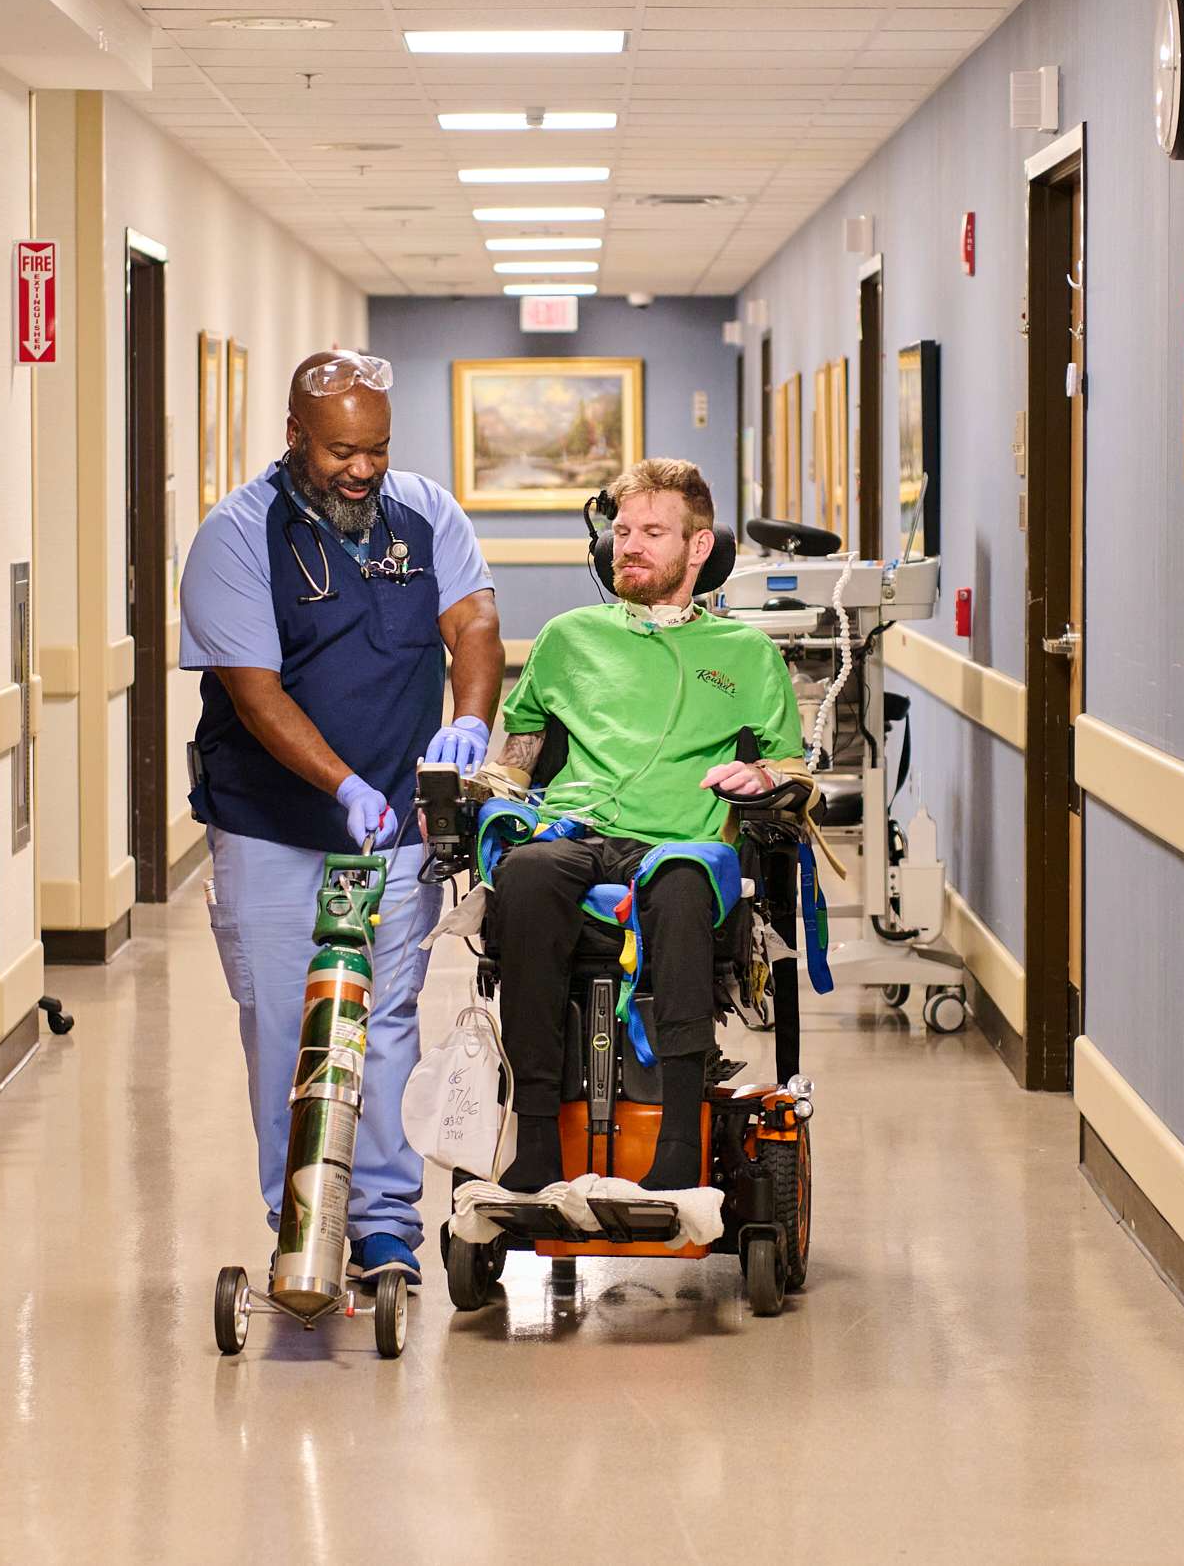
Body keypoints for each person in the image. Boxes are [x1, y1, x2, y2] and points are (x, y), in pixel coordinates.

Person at [180, 349, 502, 1287]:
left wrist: (470, 720)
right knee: (288, 1027)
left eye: (377, 448)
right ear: (294, 438)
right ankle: (301, 1221)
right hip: (272, 828)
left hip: (394, 832)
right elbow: (254, 691)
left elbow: (474, 624)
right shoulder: (237, 535)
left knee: (387, 1020)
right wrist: (341, 784)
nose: (362, 469)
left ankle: (386, 1227)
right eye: (339, 452)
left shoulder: (426, 513)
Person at [479, 458, 810, 1194]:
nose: (628, 546)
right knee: (527, 875)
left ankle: (677, 1146)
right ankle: (536, 1138)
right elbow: (516, 762)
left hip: (680, 843)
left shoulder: (746, 653)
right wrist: (487, 791)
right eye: (622, 531)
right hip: (576, 831)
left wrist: (761, 777)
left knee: (685, 883)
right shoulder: (568, 638)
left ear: (698, 548)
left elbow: (791, 770)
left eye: (652, 532)